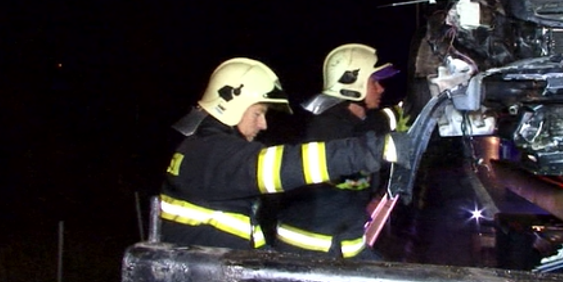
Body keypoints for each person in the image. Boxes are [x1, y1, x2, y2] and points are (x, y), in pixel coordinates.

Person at [158, 57, 405, 250]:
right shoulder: (213, 154)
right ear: (231, 104)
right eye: (258, 113)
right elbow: (288, 165)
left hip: (214, 278)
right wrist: (377, 148)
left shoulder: (203, 150)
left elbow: (238, 234)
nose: (263, 124)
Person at [274, 44, 402, 260]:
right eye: (374, 82)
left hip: (344, 246)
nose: (380, 89)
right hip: (313, 252)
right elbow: (366, 139)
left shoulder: (355, 123)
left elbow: (384, 121)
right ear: (352, 83)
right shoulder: (327, 129)